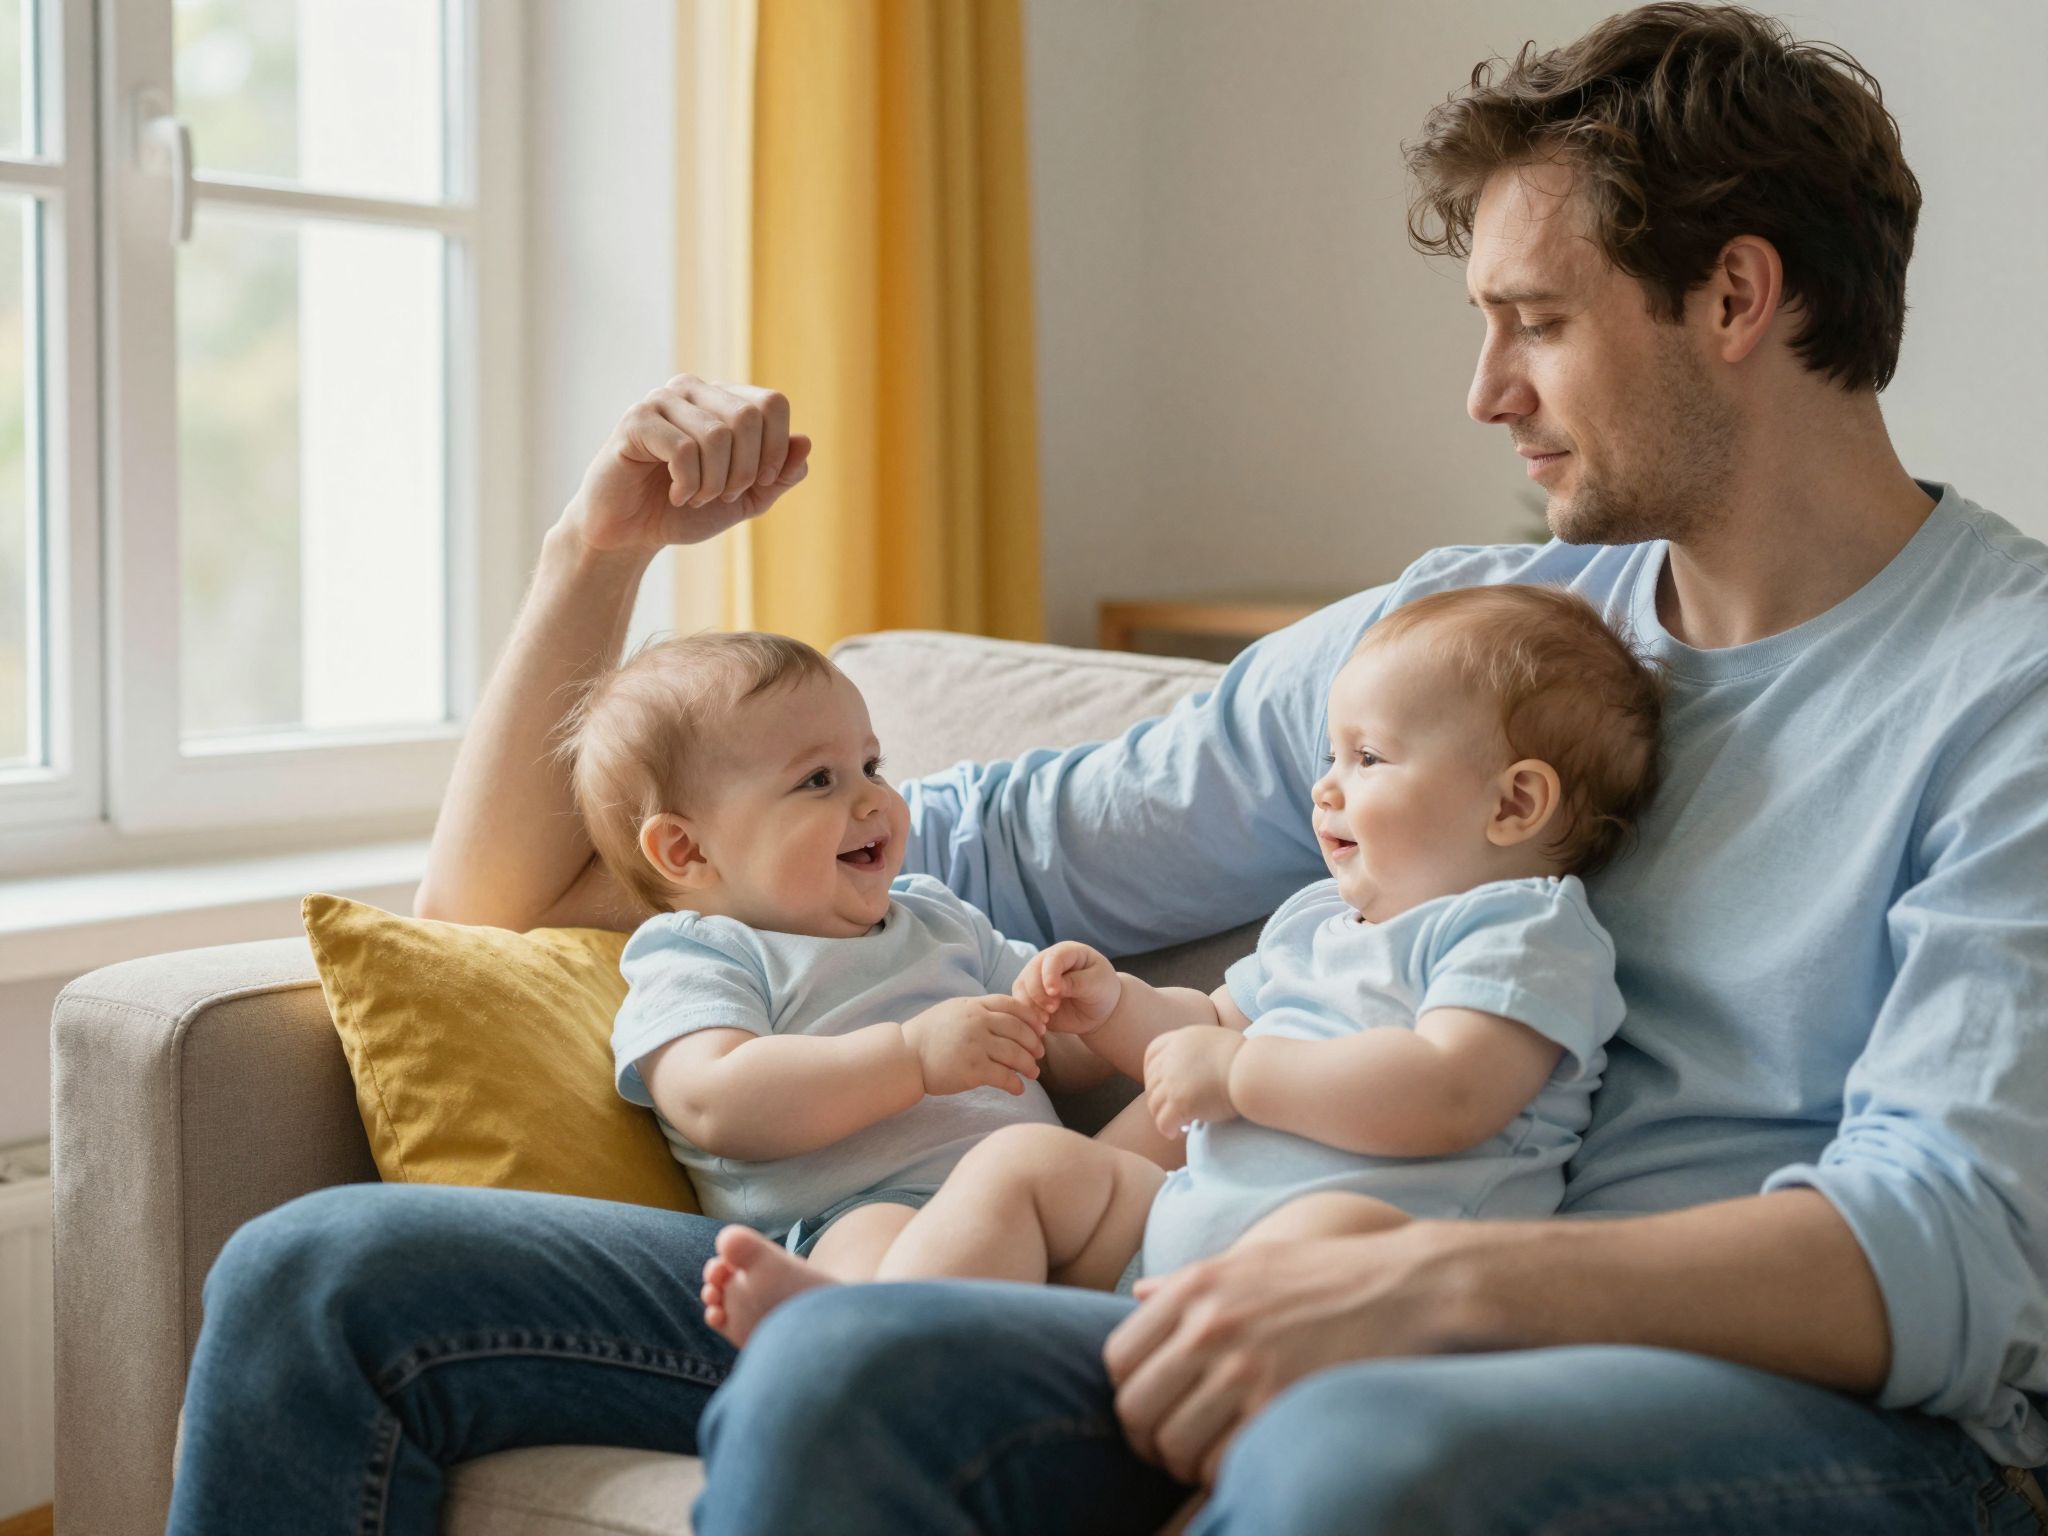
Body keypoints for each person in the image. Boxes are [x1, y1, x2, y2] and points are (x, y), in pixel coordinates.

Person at [165, 5, 2048, 1533]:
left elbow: (1948, 1250)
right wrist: (601, 554)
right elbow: (527, 905)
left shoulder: (2005, 689)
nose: (1483, 393)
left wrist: (1419, 1286)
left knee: (1319, 1454)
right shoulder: (1460, 638)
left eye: (1535, 325)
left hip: (1781, 1417)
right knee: (326, 1280)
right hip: (1260, 1284)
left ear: (1734, 297)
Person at [697, 583, 1661, 1352]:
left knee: (1329, 1240)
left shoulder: (1520, 930)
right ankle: (861, 1328)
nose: (1326, 787)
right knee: (1025, 1164)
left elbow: (1449, 1093)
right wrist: (1115, 1005)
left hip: (1357, 1270)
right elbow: (1205, 1028)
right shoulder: (1321, 922)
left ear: (1513, 805)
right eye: (1331, 754)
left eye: (1368, 758)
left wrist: (1240, 1077)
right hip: (1177, 1232)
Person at [562, 630, 1168, 1296]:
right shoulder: (701, 954)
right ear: (688, 851)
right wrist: (910, 1059)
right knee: (870, 1235)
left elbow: (1049, 1054)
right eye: (819, 780)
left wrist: (1088, 1010)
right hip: (880, 1216)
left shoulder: (938, 917)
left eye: (871, 766)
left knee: (1195, 1103)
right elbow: (715, 1100)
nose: (875, 799)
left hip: (1057, 1203)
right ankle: (830, 1314)